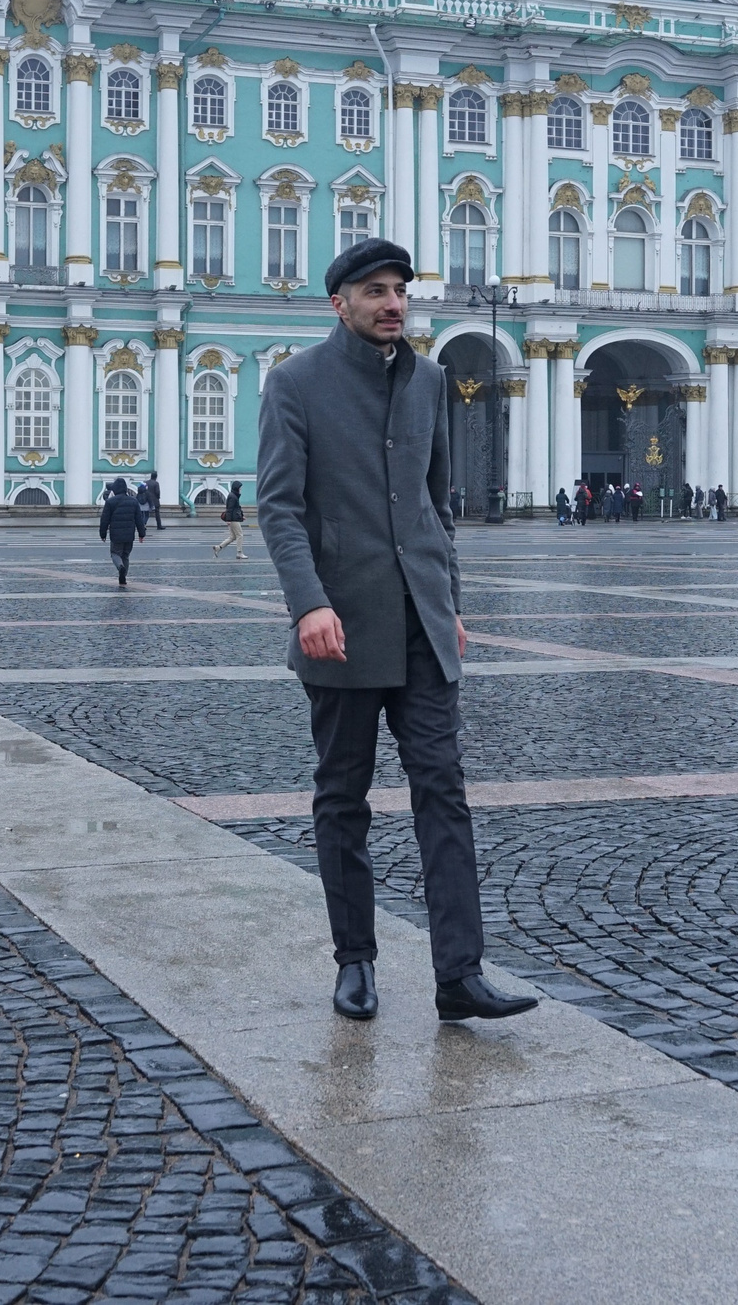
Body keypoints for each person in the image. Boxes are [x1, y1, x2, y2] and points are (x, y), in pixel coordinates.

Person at [256, 236, 535, 1027]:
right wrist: (308, 604)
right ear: (339, 302)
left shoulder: (431, 380)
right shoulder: (294, 382)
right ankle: (355, 961)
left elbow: (435, 507)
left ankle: (460, 972)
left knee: (443, 789)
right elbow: (278, 506)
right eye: (376, 290)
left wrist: (450, 602)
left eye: (400, 290)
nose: (393, 304)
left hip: (422, 624)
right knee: (343, 797)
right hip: (340, 626)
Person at [99, 478, 145, 586]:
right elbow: (139, 519)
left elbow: (104, 519)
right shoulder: (133, 501)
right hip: (129, 534)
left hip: (116, 534)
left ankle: (120, 567)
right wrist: (141, 534)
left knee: (115, 553)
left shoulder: (110, 502)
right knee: (125, 555)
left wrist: (103, 534)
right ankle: (123, 578)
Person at [214, 480, 248, 559]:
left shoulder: (234, 495)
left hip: (233, 518)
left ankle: (218, 547)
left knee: (232, 537)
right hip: (233, 519)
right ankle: (239, 553)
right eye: (240, 488)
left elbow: (237, 508)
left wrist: (242, 516)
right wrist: (228, 520)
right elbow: (229, 509)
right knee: (240, 535)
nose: (240, 489)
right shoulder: (232, 496)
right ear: (236, 488)